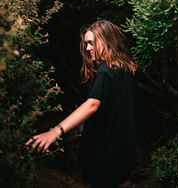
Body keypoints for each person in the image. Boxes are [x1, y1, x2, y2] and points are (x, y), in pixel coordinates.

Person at [26, 20, 137, 188]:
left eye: (92, 43)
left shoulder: (105, 71)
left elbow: (92, 104)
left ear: (107, 41)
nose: (87, 48)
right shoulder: (125, 70)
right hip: (121, 160)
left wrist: (56, 131)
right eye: (86, 44)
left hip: (103, 163)